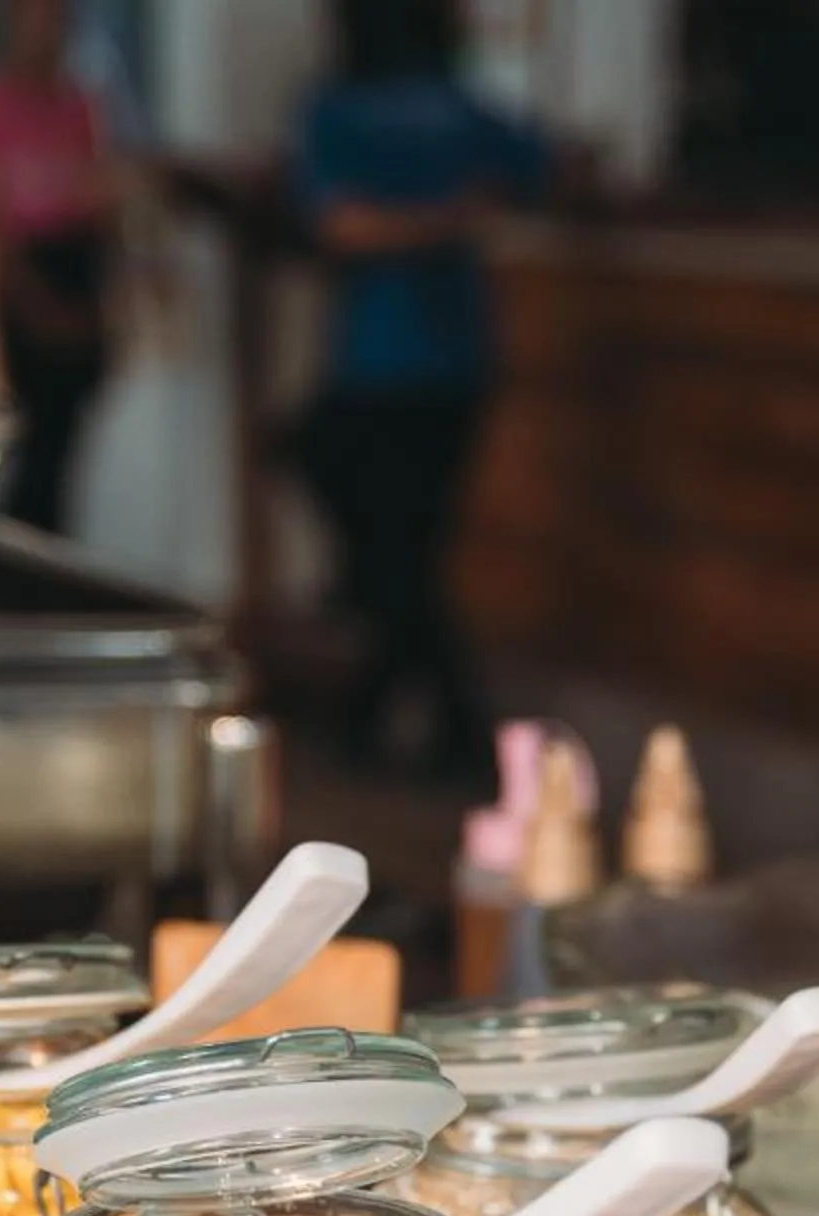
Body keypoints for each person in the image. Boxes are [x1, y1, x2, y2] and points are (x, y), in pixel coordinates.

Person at [294, 0, 547, 780]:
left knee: (400, 552)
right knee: (402, 548)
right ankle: (405, 722)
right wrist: (452, 216)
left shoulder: (348, 111)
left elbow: (341, 225)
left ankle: (424, 728)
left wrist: (415, 221)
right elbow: (549, 169)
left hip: (399, 362)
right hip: (438, 361)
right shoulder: (451, 113)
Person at [0, 0, 117, 536]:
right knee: (28, 446)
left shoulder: (78, 105)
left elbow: (95, 205)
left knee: (63, 449)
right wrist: (33, 301)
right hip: (25, 278)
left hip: (76, 267)